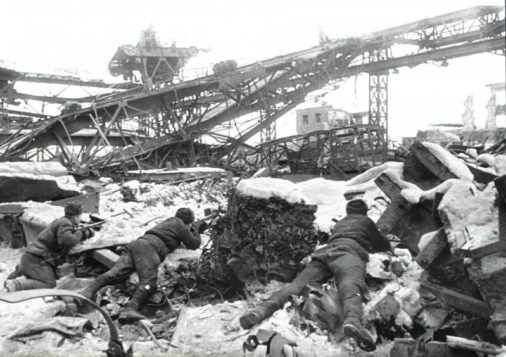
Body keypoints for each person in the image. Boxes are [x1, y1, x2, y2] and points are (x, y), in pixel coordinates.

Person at [239, 199, 391, 352]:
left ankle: (259, 312)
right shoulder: (366, 220)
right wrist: (388, 245)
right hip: (348, 252)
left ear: (348, 211)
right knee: (350, 283)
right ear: (364, 211)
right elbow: (380, 243)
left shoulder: (340, 223)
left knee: (295, 286)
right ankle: (352, 320)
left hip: (325, 253)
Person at [80, 207, 202, 323]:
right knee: (149, 282)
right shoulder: (180, 225)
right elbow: (194, 244)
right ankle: (130, 309)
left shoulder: (168, 222)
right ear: (188, 222)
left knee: (115, 273)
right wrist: (195, 229)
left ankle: (87, 292)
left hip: (137, 244)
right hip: (149, 248)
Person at [4, 201, 93, 292]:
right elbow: (67, 241)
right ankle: (16, 284)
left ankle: (18, 273)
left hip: (33, 256)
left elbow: (66, 237)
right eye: (80, 216)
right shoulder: (65, 223)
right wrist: (81, 232)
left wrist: (85, 232)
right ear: (76, 216)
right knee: (49, 284)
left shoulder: (61, 222)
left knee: (42, 273)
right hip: (37, 258)